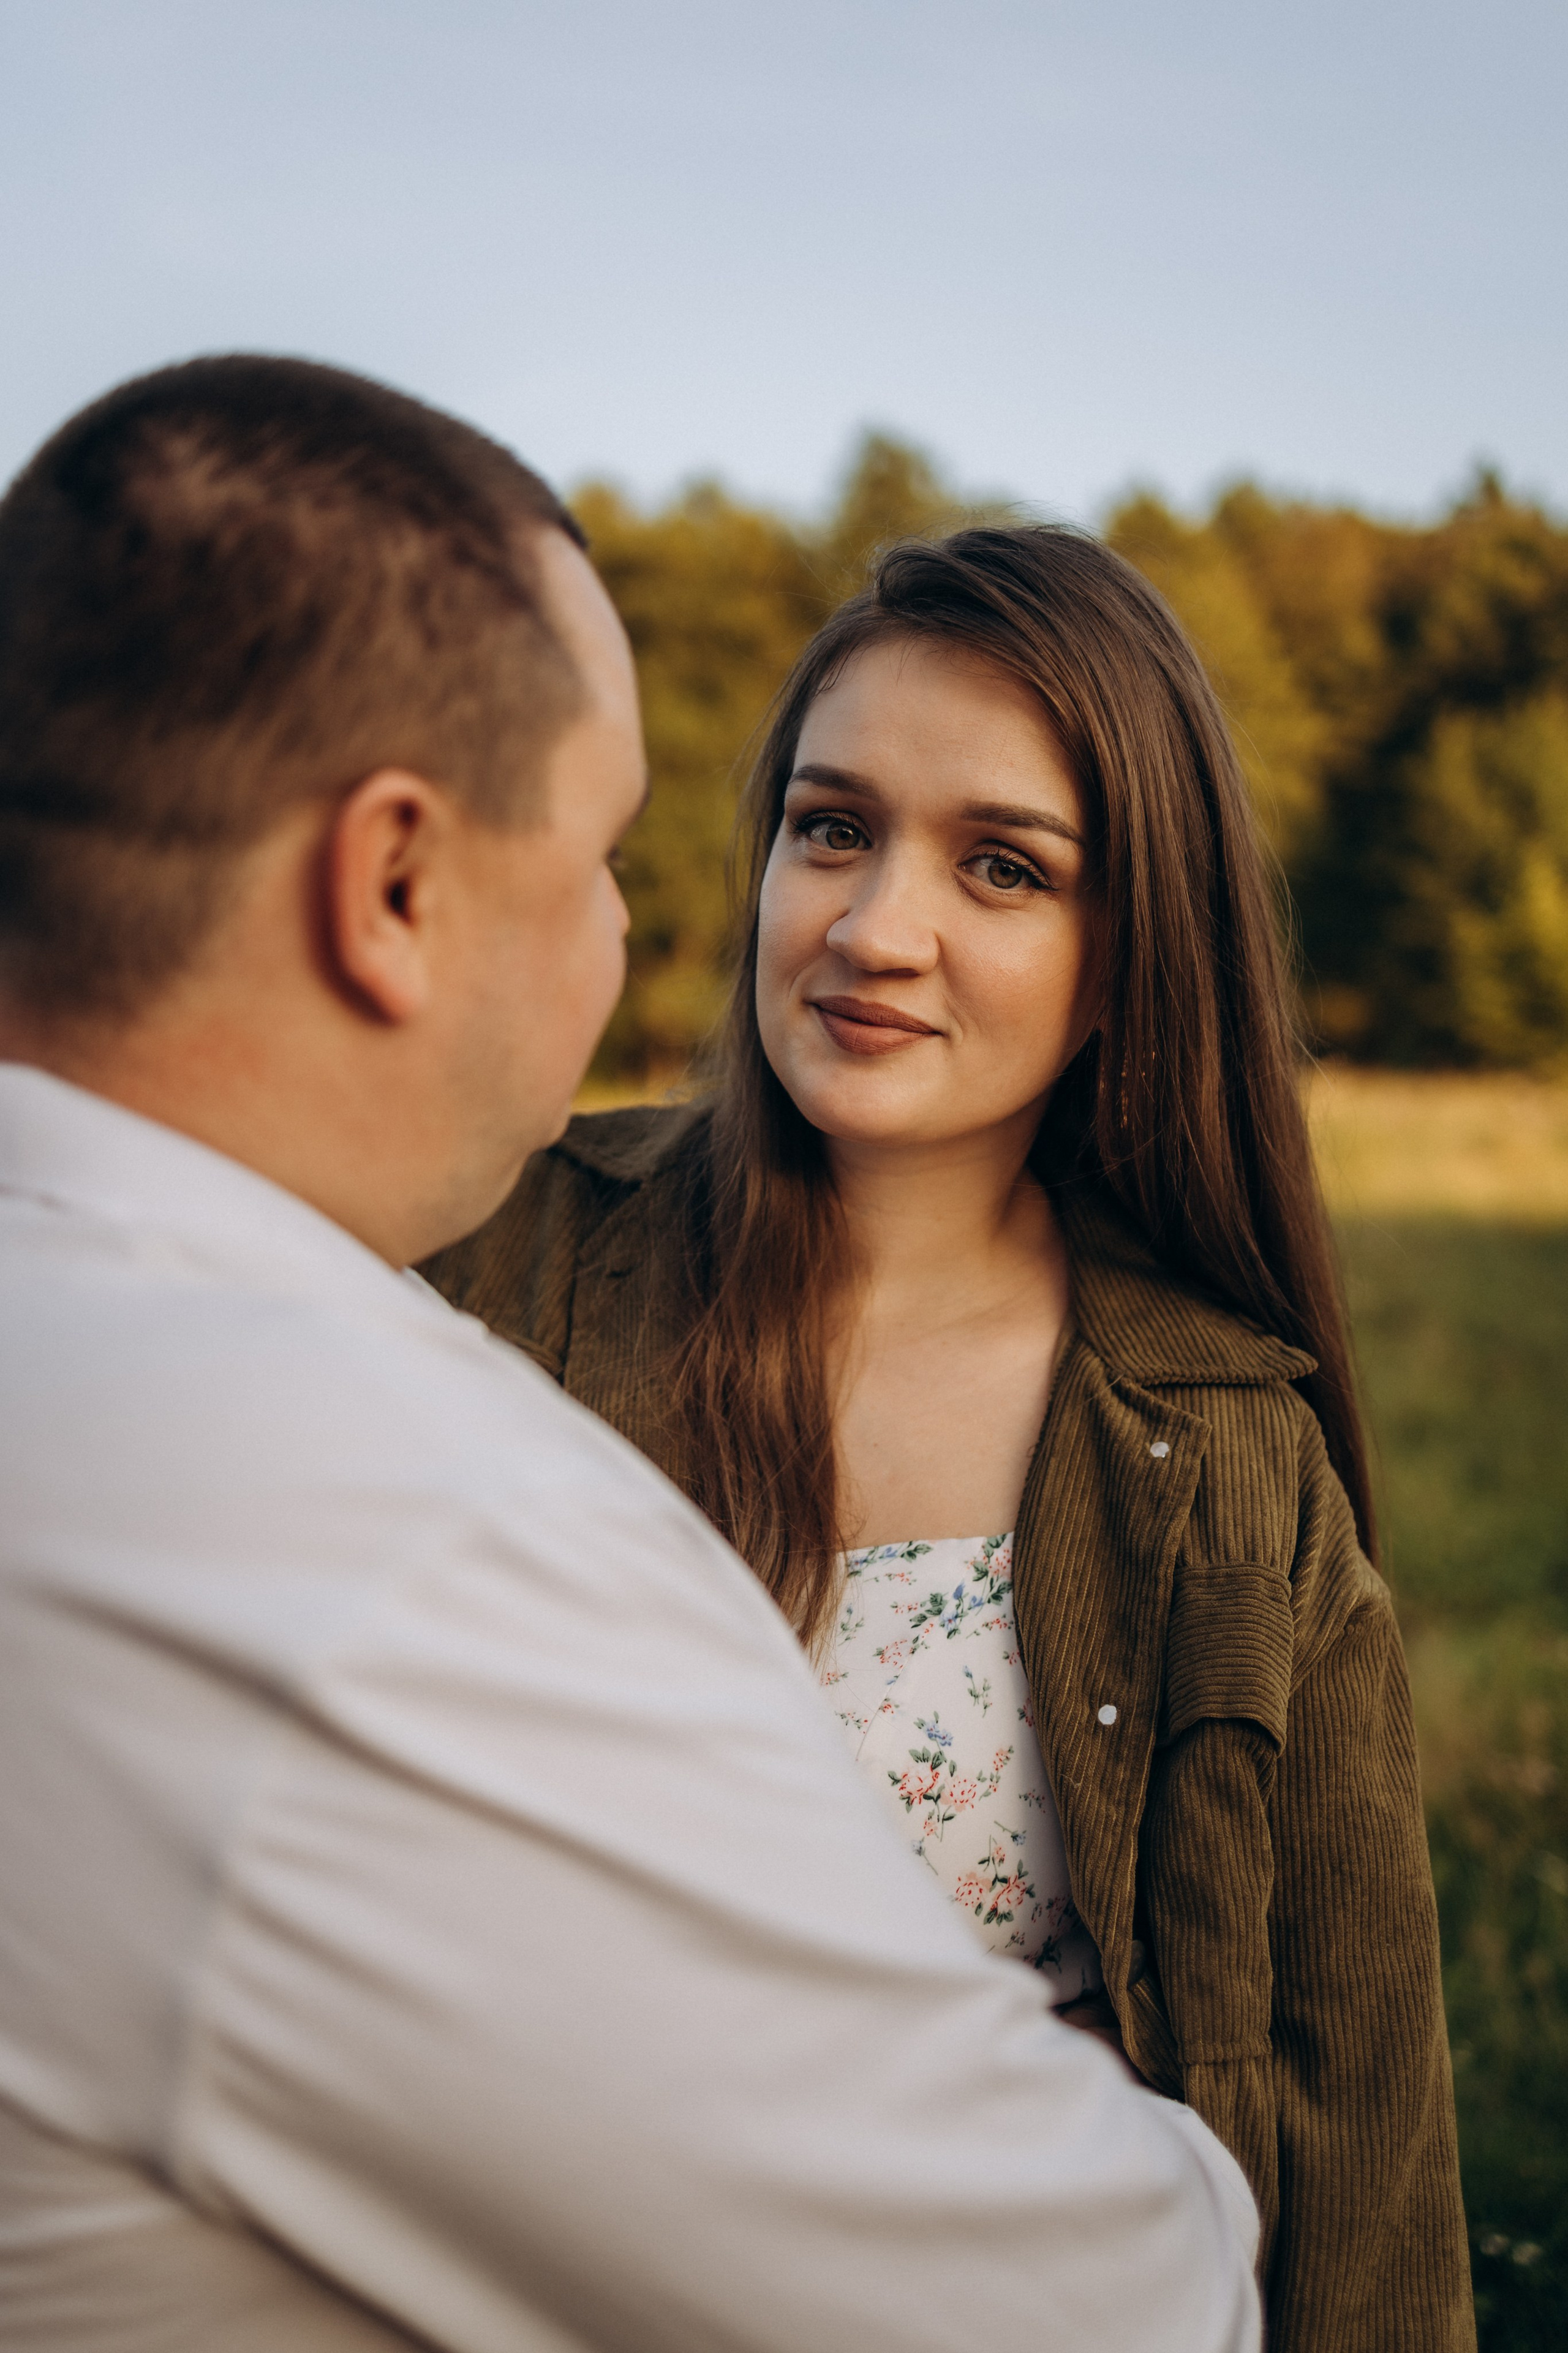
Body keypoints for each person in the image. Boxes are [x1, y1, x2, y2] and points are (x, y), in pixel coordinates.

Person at [0, 358, 1261, 2353]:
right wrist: (1133, 2133)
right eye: (604, 852)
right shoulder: (421, 1538)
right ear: (393, 886)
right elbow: (1086, 2303)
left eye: (1004, 864)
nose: (623, 934)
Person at [424, 525, 1474, 2352]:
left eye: (1002, 867)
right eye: (833, 827)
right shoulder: (489, 1266)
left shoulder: (1232, 1461)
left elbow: (1363, 2147)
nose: (873, 928)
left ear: (1127, 955)